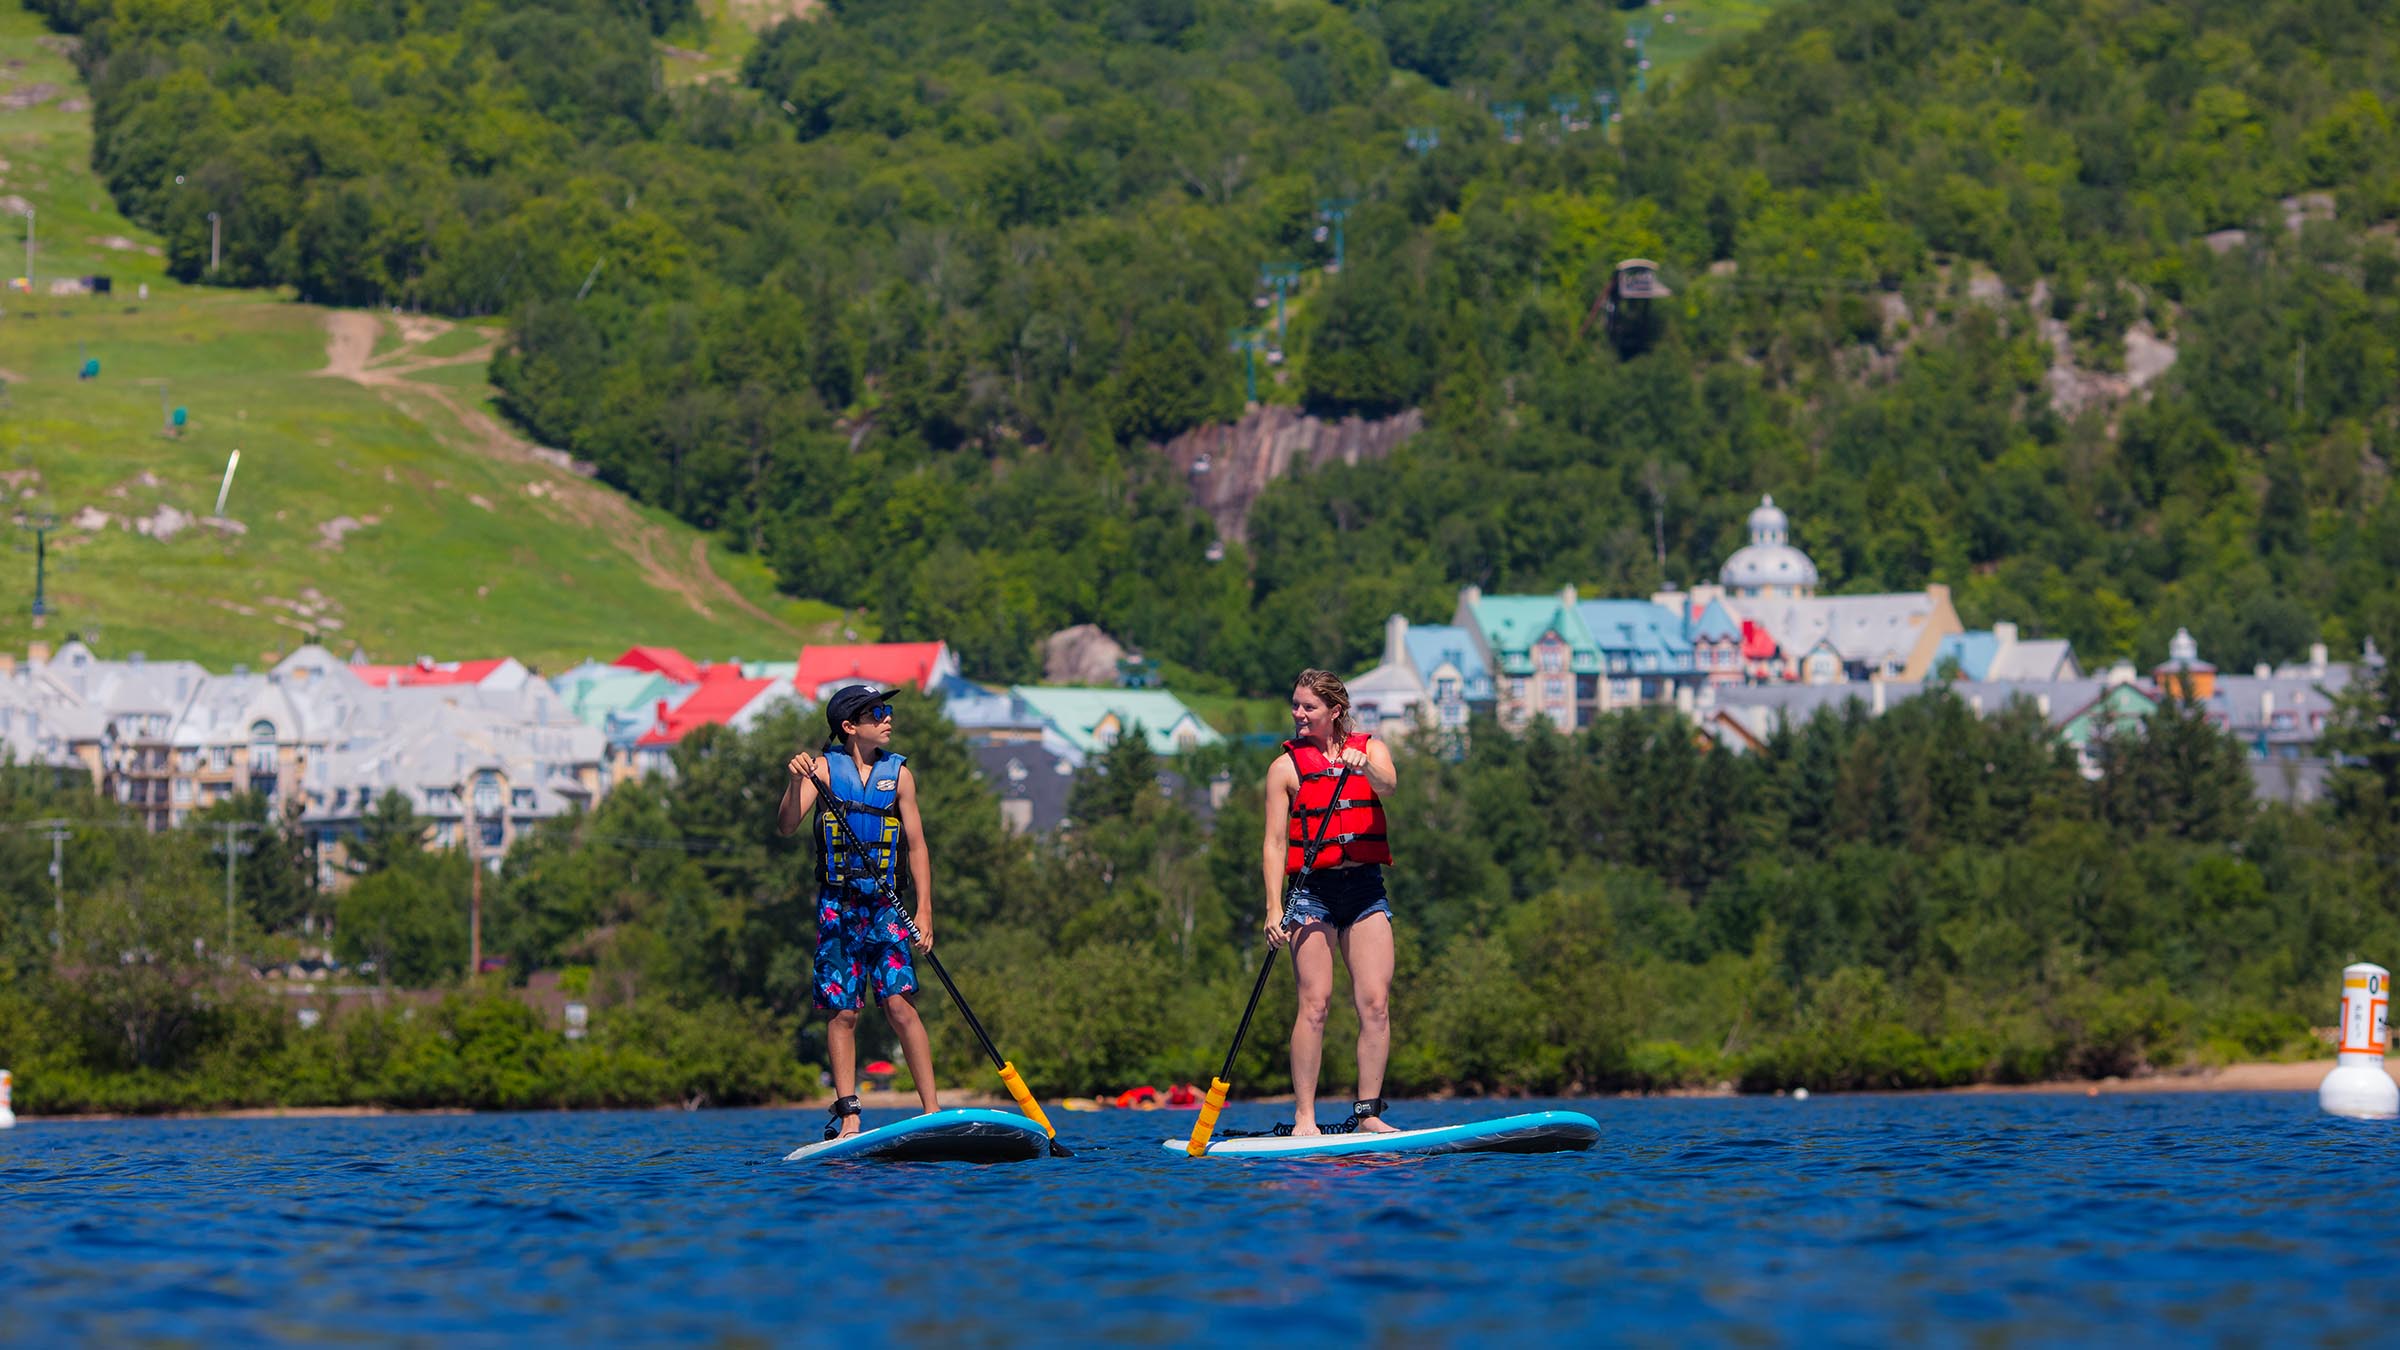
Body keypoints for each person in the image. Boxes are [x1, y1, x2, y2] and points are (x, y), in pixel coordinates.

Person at [777, 684, 938, 1140]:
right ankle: (850, 1117)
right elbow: (788, 825)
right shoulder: (821, 770)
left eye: (886, 710)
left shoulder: (899, 775)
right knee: (843, 1012)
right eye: (877, 712)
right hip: (839, 907)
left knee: (899, 1005)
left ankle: (932, 1112)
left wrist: (924, 912)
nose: (888, 718)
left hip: (887, 904)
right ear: (850, 727)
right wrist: (795, 781)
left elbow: (918, 846)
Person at [1260, 668, 1400, 1136]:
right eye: (1296, 705)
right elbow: (1275, 843)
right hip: (1311, 891)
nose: (1298, 714)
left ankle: (1368, 1115)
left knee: (1375, 1002)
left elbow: (1388, 785)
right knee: (1315, 1004)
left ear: (1334, 711)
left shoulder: (1370, 749)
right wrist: (1272, 908)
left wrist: (1366, 767)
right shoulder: (1284, 768)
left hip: (1363, 888)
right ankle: (1305, 1118)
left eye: (1308, 707)